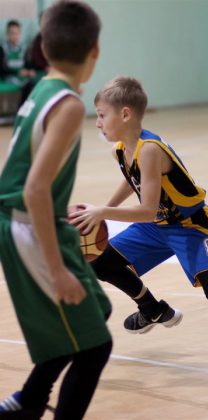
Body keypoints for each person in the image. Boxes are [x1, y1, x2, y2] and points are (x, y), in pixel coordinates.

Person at [70, 76, 208, 377]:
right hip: (156, 226)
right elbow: (133, 180)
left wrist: (103, 212)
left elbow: (146, 210)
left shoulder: (150, 149)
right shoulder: (122, 149)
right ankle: (152, 309)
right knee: (100, 263)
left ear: (125, 114)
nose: (97, 123)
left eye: (101, 115)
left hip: (190, 225)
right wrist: (103, 211)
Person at [0, 2, 112, 419]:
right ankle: (32, 402)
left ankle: (29, 401)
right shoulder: (67, 105)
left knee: (97, 310)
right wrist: (57, 270)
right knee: (95, 346)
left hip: (32, 217)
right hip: (27, 226)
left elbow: (24, 171)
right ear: (95, 49)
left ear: (43, 48)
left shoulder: (42, 90)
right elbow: (33, 188)